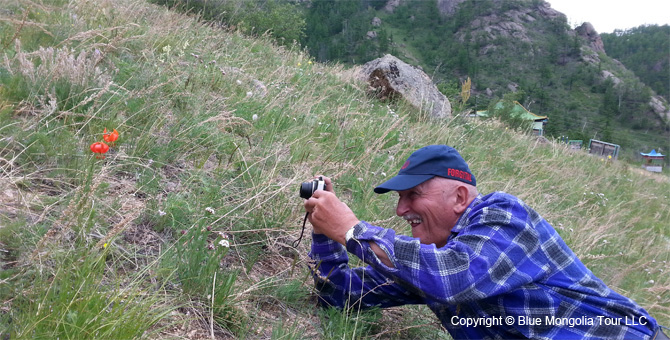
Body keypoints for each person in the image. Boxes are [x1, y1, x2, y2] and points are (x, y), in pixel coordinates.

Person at [304, 144, 668, 340]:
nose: (401, 210)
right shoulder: (435, 262)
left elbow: (454, 277)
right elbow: (340, 295)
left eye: (413, 195)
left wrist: (352, 230)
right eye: (399, 198)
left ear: (460, 198)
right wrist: (325, 230)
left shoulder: (504, 216)